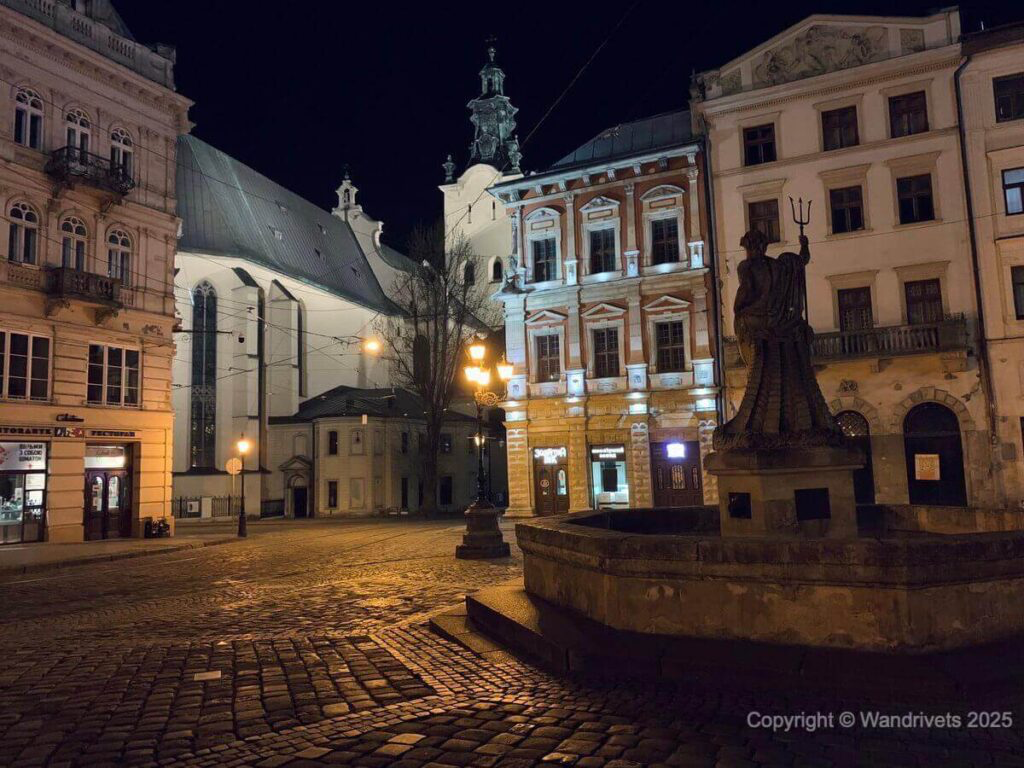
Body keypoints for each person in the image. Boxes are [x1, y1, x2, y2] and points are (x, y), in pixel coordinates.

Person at [715, 229, 842, 451]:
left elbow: (746, 293)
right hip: (782, 325)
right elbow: (799, 264)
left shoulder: (748, 266)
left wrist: (740, 310)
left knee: (759, 369)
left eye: (746, 248)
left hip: (756, 324)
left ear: (749, 247)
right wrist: (804, 246)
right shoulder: (779, 265)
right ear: (764, 246)